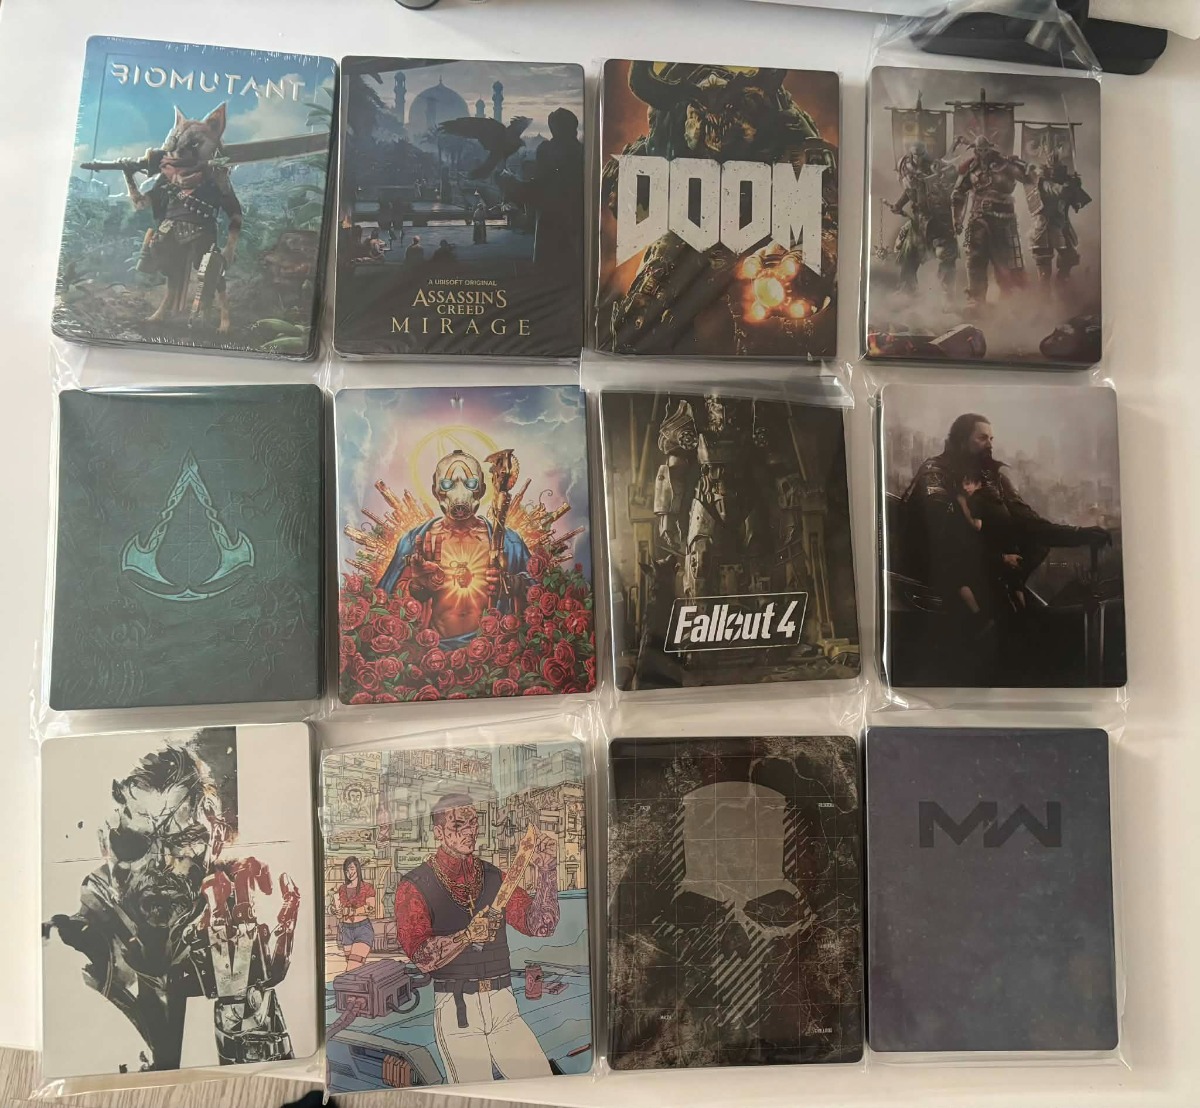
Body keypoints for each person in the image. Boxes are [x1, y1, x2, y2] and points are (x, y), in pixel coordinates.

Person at [393, 794, 559, 1082]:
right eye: (459, 825)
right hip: (457, 1011)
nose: (470, 831)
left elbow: (541, 926)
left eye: (473, 822)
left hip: (504, 1004)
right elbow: (421, 957)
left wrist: (547, 871)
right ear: (439, 831)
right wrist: (467, 936)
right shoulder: (414, 886)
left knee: (542, 1085)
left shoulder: (495, 877)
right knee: (472, 1095)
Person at [377, 450, 531, 648]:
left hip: (493, 651)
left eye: (470, 483)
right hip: (433, 654)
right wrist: (417, 588)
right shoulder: (414, 542)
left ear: (482, 489)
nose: (460, 492)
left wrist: (513, 584)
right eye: (447, 484)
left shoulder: (510, 543)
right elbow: (386, 601)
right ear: (435, 490)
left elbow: (538, 591)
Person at [951, 136, 1031, 307]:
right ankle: (976, 299)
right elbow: (958, 194)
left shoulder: (1005, 165)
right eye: (979, 150)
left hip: (1003, 221)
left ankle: (1007, 301)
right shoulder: (972, 168)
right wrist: (957, 219)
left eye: (985, 150)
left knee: (1003, 261)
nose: (982, 154)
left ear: (990, 149)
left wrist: (1028, 169)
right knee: (974, 259)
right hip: (978, 220)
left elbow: (1028, 178)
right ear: (975, 150)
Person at [335, 857, 376, 972]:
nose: (349, 872)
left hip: (362, 929)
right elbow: (340, 911)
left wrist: (351, 911)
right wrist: (338, 912)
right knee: (355, 970)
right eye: (347, 870)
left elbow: (370, 908)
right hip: (346, 930)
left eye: (352, 868)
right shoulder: (342, 889)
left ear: (358, 868)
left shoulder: (367, 887)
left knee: (352, 967)